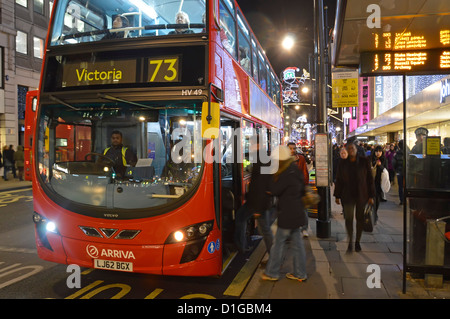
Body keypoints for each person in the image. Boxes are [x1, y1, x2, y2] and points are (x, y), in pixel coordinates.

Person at [262, 145, 308, 282]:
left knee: (278, 244)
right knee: (297, 245)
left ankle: (272, 273)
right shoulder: (294, 168)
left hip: (287, 214)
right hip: (297, 212)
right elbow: (302, 188)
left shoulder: (285, 172)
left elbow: (275, 190)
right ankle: (300, 273)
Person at [334, 143, 375, 253]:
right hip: (347, 195)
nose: (351, 150)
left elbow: (370, 179)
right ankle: (350, 241)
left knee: (360, 218)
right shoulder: (342, 163)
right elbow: (339, 179)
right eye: (349, 148)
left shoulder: (364, 161)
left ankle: (357, 241)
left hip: (361, 195)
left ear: (356, 150)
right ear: (347, 150)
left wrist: (371, 195)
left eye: (353, 148)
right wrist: (337, 195)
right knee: (349, 218)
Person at [234, 139, 272, 254]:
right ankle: (242, 246)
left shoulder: (261, 160)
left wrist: (257, 208)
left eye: (252, 145)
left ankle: (241, 246)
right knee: (264, 229)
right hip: (258, 201)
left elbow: (260, 184)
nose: (250, 147)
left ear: (258, 145)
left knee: (263, 229)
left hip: (258, 203)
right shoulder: (261, 157)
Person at [287, 142, 309, 237]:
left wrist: (304, 185)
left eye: (294, 148)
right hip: (288, 189)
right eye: (290, 148)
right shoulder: (284, 159)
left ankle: (304, 229)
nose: (292, 150)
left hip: (299, 187)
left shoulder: (301, 158)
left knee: (303, 209)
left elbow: (305, 172)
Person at [370, 145, 387, 223]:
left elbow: (385, 170)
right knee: (370, 199)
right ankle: (371, 214)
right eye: (376, 151)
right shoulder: (370, 159)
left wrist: (380, 166)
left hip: (379, 183)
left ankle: (375, 213)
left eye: (380, 151)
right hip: (370, 182)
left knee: (377, 200)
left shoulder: (384, 160)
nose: (378, 153)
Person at [393, 140, 405, 205]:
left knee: (400, 186)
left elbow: (394, 163)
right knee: (406, 186)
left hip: (399, 172)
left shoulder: (397, 154)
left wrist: (396, 170)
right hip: (406, 172)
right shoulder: (408, 152)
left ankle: (401, 200)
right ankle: (406, 199)